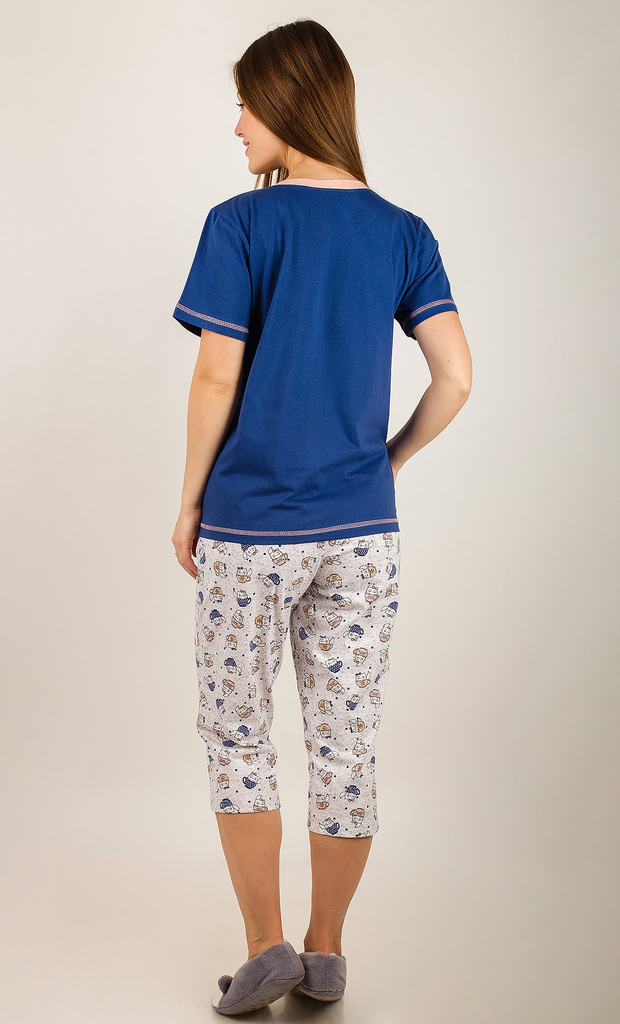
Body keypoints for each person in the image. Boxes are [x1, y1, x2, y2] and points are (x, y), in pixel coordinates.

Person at [171, 17, 472, 1016]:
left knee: (238, 734)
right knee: (347, 741)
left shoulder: (241, 224)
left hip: (250, 529)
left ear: (286, 101)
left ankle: (266, 946)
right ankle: (327, 951)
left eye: (245, 104)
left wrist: (190, 499)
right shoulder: (404, 231)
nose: (237, 126)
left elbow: (215, 377)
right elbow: (456, 377)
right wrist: (386, 462)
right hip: (362, 534)